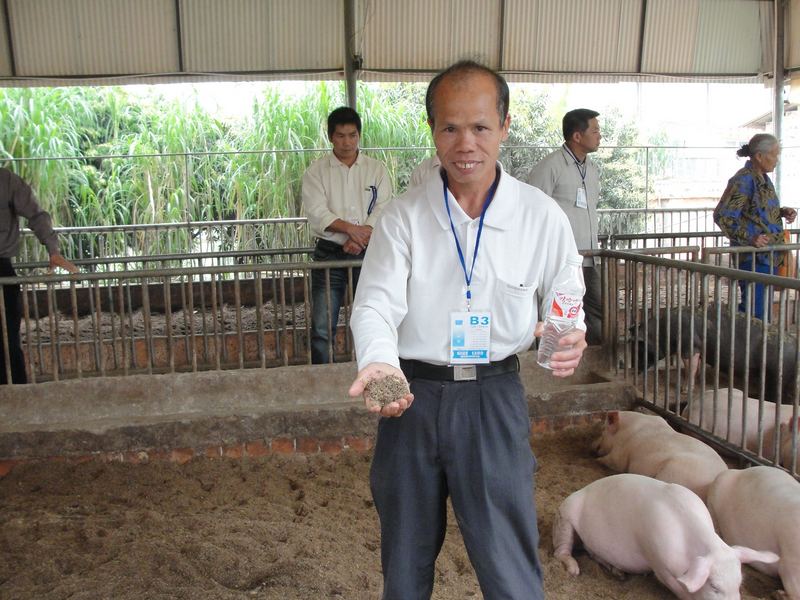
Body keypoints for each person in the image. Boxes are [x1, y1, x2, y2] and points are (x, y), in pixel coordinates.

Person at [348, 61, 587, 600]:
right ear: (432, 130)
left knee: (508, 564)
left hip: (493, 397)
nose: (465, 144)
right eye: (450, 128)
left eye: (480, 127)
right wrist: (380, 361)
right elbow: (375, 304)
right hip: (411, 396)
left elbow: (565, 294)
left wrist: (568, 335)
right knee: (404, 560)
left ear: (505, 125)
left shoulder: (540, 216)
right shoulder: (403, 218)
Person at [301, 106, 391, 364]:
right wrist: (352, 231)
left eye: (352, 135)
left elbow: (384, 206)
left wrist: (362, 237)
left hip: (370, 252)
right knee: (322, 326)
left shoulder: (376, 169)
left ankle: (377, 371)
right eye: (340, 136)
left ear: (359, 135)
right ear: (331, 137)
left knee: (377, 316)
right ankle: (322, 379)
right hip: (330, 253)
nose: (347, 142)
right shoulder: (316, 172)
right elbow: (317, 212)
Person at [526, 108, 603, 344]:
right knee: (559, 312)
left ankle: (594, 356)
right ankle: (553, 355)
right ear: (577, 136)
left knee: (596, 310)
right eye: (595, 131)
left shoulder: (592, 169)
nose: (600, 136)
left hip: (590, 257)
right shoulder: (550, 167)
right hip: (561, 259)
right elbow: (533, 209)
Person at [0, 168, 78, 384]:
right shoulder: (6, 180)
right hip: (3, 272)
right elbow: (37, 215)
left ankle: (16, 392)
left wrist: (53, 250)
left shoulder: (6, 180)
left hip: (2, 269)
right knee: (7, 339)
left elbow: (36, 215)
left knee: (7, 339)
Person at [714, 133, 796, 321]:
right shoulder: (744, 180)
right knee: (755, 313)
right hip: (753, 258)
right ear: (759, 156)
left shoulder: (763, 179)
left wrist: (781, 212)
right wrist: (750, 238)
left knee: (761, 311)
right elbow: (723, 216)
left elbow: (754, 211)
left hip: (768, 257)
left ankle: (754, 339)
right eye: (774, 154)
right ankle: (746, 340)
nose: (777, 160)